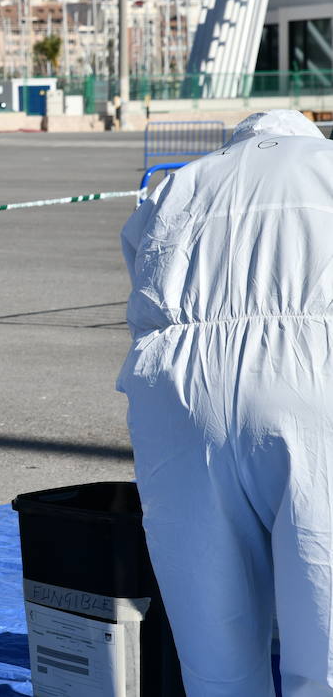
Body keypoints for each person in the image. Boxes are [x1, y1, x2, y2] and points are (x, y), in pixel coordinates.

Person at [119, 110, 333, 697]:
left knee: (211, 622)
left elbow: (139, 278)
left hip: (179, 393)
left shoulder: (180, 184)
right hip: (316, 379)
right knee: (324, 609)